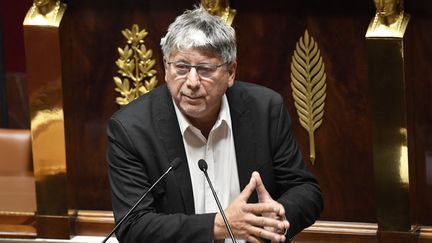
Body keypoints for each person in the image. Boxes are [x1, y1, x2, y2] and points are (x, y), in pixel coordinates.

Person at [107, 5, 323, 243]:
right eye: (181, 67)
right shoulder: (131, 129)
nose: (191, 82)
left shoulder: (265, 110)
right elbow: (133, 225)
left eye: (205, 69)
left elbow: (307, 191)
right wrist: (218, 226)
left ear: (231, 72)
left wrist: (276, 216)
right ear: (166, 69)